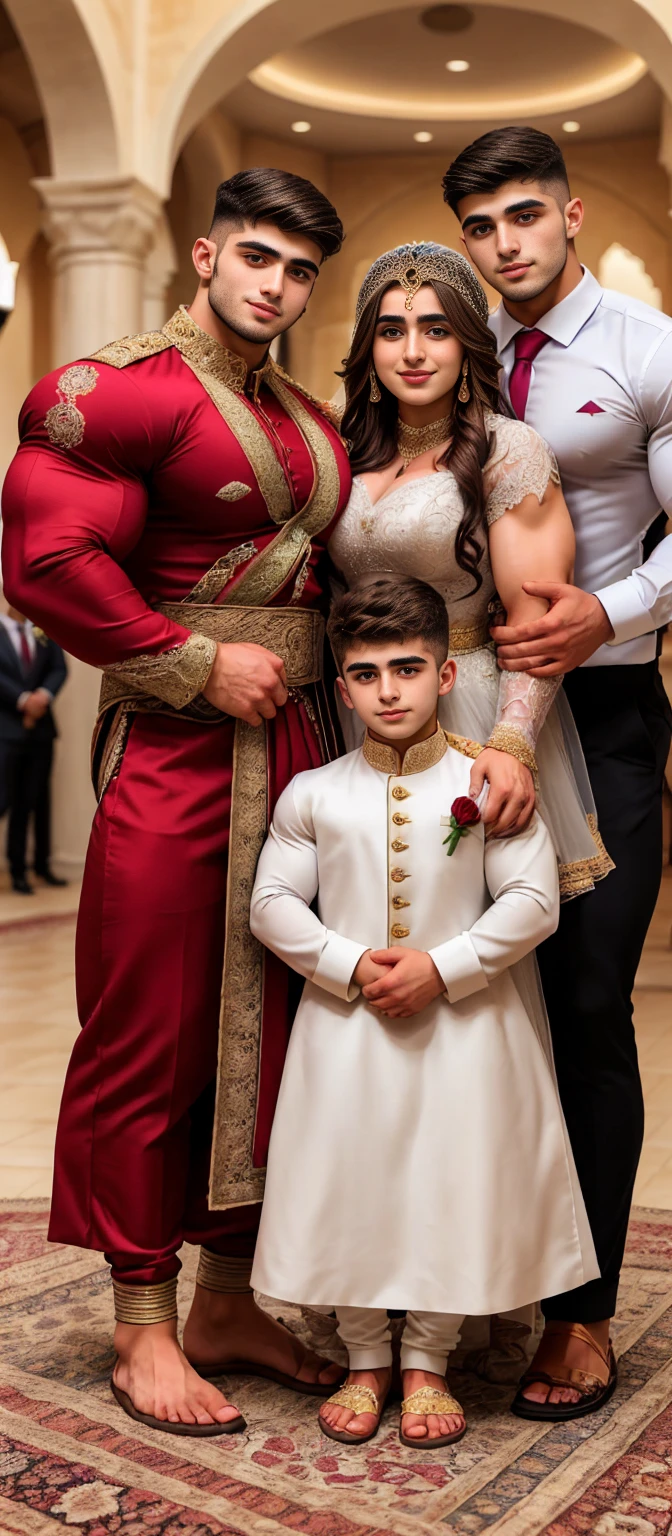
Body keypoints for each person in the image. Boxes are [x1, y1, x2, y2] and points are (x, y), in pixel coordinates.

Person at [1, 167, 352, 1436]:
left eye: (301, 269)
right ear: (205, 256)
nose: (277, 284)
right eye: (257, 255)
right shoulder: (114, 391)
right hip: (174, 743)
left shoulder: (309, 418)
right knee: (148, 1025)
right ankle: (141, 1324)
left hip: (304, 746)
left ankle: (227, 1298)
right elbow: (45, 558)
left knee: (269, 1037)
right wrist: (199, 662)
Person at [249, 575, 600, 1450]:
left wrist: (443, 969)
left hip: (466, 1030)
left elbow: (532, 900)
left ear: (446, 675)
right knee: (356, 1175)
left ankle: (430, 1358)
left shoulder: (488, 783)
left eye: (408, 669)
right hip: (348, 1028)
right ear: (342, 687)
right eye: (366, 675)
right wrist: (350, 962)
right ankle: (367, 1354)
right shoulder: (313, 794)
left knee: (452, 1174)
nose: (389, 691)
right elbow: (271, 904)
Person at [443, 124, 672, 1419]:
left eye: (522, 215)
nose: (503, 245)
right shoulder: (452, 356)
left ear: (572, 215)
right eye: (480, 225)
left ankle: (580, 1318)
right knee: (477, 1005)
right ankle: (475, 1271)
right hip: (468, 719)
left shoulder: (648, 351)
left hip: (610, 710)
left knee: (588, 1005)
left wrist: (612, 613)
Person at [328, 241, 613, 900]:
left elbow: (534, 617)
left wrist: (511, 742)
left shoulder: (506, 449)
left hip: (473, 710)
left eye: (437, 329)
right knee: (380, 910)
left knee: (470, 921)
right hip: (358, 710)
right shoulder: (342, 455)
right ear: (368, 348)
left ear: (467, 348)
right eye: (391, 331)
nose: (413, 351)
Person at [0, 604, 67, 893]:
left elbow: (59, 668)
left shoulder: (43, 631)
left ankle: (41, 865)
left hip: (42, 730)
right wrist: (22, 699)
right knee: (9, 800)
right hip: (7, 730)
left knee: (39, 799)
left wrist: (42, 695)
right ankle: (16, 871)